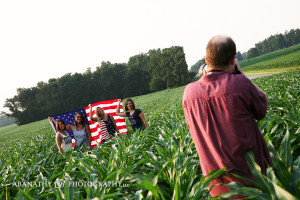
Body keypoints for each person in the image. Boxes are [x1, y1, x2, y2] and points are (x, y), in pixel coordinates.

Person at [182, 35, 272, 198]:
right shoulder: (239, 83)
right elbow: (261, 110)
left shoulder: (189, 93)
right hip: (252, 181)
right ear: (233, 59)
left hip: (217, 185)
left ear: (206, 59)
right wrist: (241, 74)